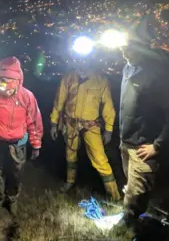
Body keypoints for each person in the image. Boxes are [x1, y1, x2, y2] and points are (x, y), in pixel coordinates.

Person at [117, 18, 169, 232]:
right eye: (122, 45)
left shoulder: (154, 76)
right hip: (126, 143)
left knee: (137, 192)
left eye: (127, 45)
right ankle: (133, 220)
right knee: (131, 187)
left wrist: (157, 145)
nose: (123, 49)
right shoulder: (126, 69)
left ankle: (130, 227)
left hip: (142, 147)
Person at [0, 56, 43, 216]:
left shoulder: (27, 97)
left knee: (16, 173)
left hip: (18, 142)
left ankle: (12, 199)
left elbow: (34, 121)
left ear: (17, 81)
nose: (5, 89)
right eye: (1, 81)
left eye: (8, 84)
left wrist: (36, 144)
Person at [50, 59, 120, 200]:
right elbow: (59, 101)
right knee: (70, 154)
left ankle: (114, 194)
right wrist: (54, 122)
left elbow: (108, 105)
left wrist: (109, 129)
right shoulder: (69, 78)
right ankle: (70, 182)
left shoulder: (100, 80)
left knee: (100, 159)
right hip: (71, 124)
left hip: (91, 126)